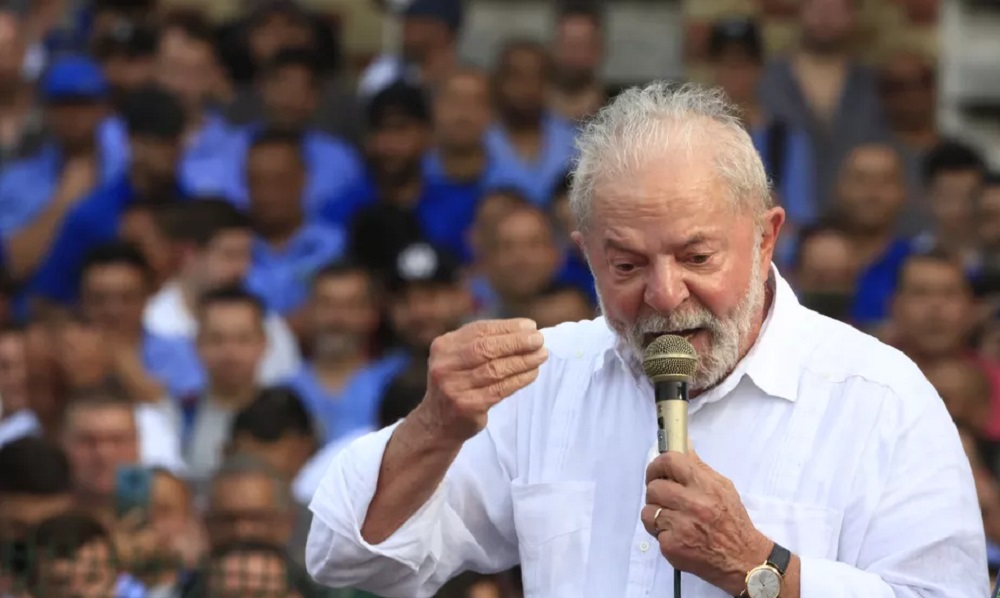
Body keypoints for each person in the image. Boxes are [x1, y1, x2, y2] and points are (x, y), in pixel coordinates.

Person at [305, 83, 986, 597]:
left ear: (766, 237)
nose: (663, 296)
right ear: (586, 254)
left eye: (696, 258)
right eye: (626, 265)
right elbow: (347, 557)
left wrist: (759, 564)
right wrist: (432, 427)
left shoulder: (879, 398)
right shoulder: (547, 378)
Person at [143, 199, 301, 385]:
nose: (242, 269)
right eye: (230, 255)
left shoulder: (269, 325)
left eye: (247, 256)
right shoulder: (148, 323)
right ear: (189, 255)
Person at [284, 262, 407, 444]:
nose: (337, 318)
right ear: (308, 311)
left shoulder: (398, 380)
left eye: (351, 306)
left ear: (372, 314)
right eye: (326, 304)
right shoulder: (285, 388)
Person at [548, 1, 607, 123]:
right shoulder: (526, 117)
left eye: (582, 46)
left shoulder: (618, 115)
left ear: (600, 49)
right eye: (568, 45)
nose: (574, 56)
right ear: (553, 47)